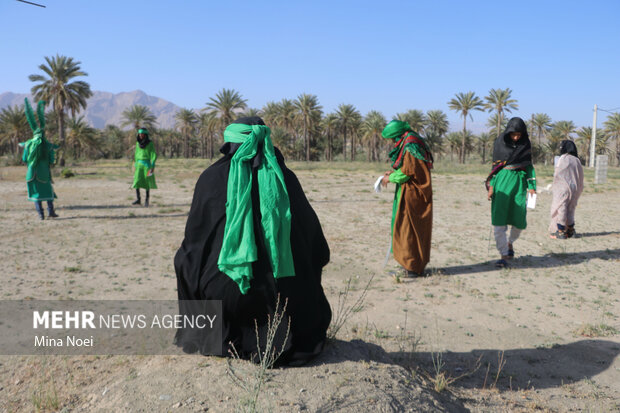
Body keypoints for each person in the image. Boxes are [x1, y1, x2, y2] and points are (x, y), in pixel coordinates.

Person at [174, 117, 331, 366]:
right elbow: (317, 246)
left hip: (222, 299)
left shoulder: (211, 178)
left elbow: (194, 243)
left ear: (231, 143)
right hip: (283, 303)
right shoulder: (285, 178)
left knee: (185, 259)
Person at [380, 120, 433, 277]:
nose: (393, 142)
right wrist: (393, 173)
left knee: (409, 229)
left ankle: (412, 267)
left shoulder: (410, 146)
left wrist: (390, 178)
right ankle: (409, 265)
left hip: (413, 195)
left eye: (393, 139)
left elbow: (407, 173)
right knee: (408, 228)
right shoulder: (412, 141)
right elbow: (407, 168)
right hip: (410, 193)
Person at [486, 117, 536, 268]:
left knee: (519, 219)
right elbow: (495, 169)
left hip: (519, 185)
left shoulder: (525, 145)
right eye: (513, 134)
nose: (516, 137)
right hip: (501, 183)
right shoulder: (499, 143)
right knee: (499, 219)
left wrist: (532, 185)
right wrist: (491, 186)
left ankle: (510, 243)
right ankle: (504, 254)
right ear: (508, 133)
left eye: (519, 135)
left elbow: (529, 167)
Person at [19, 98, 59, 220]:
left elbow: (24, 158)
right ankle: (50, 212)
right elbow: (52, 160)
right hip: (44, 173)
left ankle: (41, 215)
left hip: (31, 173)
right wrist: (49, 162)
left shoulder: (28, 144)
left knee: (36, 194)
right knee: (47, 193)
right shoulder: (47, 145)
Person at [549, 140, 584, 239]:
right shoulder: (577, 160)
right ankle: (571, 230)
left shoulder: (563, 158)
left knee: (561, 208)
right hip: (575, 188)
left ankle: (561, 231)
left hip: (562, 188)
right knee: (571, 208)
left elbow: (558, 172)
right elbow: (580, 176)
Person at [131, 128, 157, 207]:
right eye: (139, 134)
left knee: (147, 182)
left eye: (142, 134)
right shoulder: (137, 143)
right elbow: (136, 154)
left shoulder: (150, 143)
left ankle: (147, 200)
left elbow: (153, 154)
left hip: (147, 165)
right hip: (138, 165)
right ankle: (138, 199)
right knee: (137, 181)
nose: (140, 135)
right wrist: (135, 163)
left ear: (145, 135)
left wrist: (152, 164)